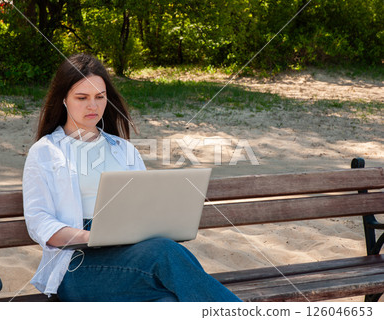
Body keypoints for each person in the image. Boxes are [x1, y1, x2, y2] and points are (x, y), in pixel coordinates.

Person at [22, 53, 242, 302]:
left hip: (130, 255)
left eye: (99, 97)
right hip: (76, 265)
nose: (92, 106)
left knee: (168, 301)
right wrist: (90, 237)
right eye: (81, 98)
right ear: (63, 99)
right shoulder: (46, 151)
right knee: (165, 253)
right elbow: (39, 221)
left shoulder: (122, 149)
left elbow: (143, 207)